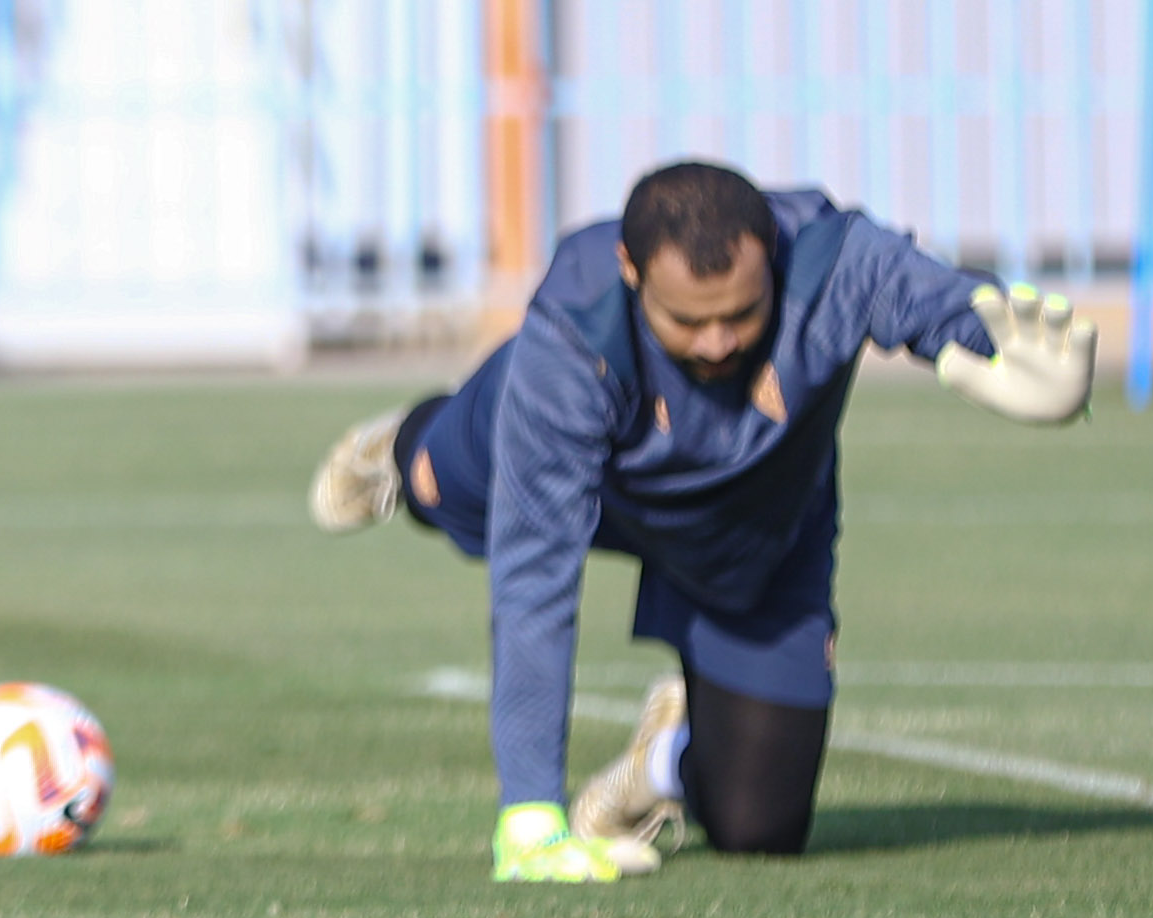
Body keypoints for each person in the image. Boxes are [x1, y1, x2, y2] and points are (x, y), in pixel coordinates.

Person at [309, 160, 1092, 880]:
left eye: (742, 314)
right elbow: (535, 586)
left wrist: (1012, 362)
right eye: (687, 321)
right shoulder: (574, 334)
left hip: (749, 523)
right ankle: (402, 443)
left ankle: (661, 760)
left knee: (761, 826)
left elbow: (951, 305)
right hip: (569, 469)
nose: (717, 341)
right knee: (435, 481)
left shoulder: (838, 261)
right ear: (630, 271)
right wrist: (530, 815)